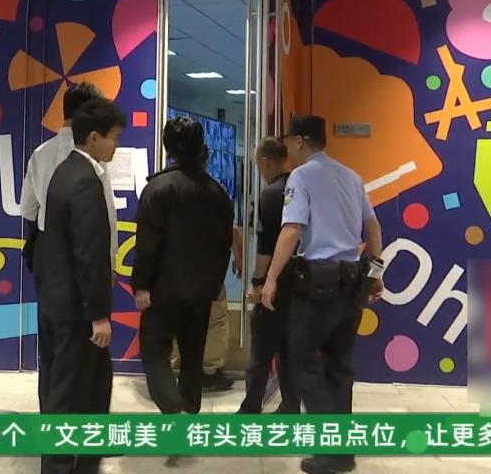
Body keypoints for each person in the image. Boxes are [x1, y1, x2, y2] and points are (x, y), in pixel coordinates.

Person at [260, 116, 384, 474]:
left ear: (300, 141)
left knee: (300, 359)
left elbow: (292, 229)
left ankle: (331, 450)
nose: (286, 146)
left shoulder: (301, 177)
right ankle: (342, 451)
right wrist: (376, 273)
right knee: (339, 366)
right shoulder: (351, 176)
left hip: (319, 285)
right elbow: (373, 227)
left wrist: (270, 279)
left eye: (288, 140)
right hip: (352, 284)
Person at [33, 98, 126, 474]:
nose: (116, 146)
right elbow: (89, 253)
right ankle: (58, 466)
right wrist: (99, 316)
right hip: (75, 311)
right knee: (68, 391)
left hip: (56, 300)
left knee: (90, 383)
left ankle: (87, 458)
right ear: (94, 138)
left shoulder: (63, 171)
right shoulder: (86, 181)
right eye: (114, 137)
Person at [20, 83, 118, 409]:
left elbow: (28, 209)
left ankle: (53, 418)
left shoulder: (41, 154)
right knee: (85, 353)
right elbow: (104, 220)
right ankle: (76, 427)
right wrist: (109, 264)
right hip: (83, 263)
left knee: (52, 353)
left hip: (49, 261)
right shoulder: (92, 165)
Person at [134, 116, 234, 417]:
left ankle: (172, 407)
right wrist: (213, 284)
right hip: (201, 292)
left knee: (154, 352)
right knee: (192, 358)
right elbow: (224, 245)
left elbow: (148, 243)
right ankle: (190, 413)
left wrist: (142, 285)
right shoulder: (217, 193)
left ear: (168, 147)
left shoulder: (157, 189)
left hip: (163, 291)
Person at [237, 137, 300, 414]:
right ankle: (290, 404)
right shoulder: (300, 188)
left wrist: (258, 282)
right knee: (289, 348)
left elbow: (265, 244)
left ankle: (251, 406)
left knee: (262, 349)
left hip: (275, 282)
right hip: (300, 279)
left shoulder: (272, 193)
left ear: (265, 161)